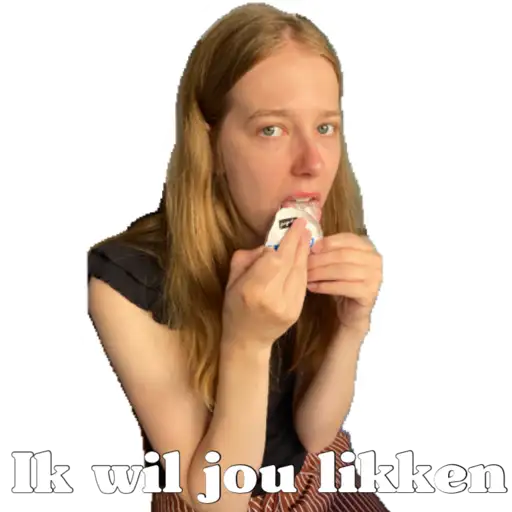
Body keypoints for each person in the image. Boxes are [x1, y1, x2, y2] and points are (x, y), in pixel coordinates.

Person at [87, 3, 387, 511]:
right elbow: (216, 498)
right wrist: (247, 344)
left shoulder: (327, 232)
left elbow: (316, 434)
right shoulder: (125, 280)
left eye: (325, 127)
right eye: (272, 129)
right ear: (211, 144)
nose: (312, 164)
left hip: (318, 475)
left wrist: (352, 326)